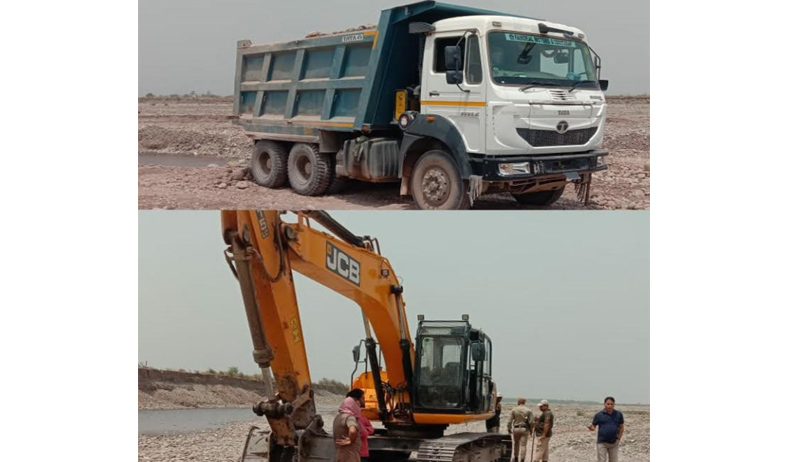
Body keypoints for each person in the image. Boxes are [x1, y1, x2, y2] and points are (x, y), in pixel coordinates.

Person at [588, 396, 625, 462]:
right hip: (602, 443)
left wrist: (618, 438)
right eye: (608, 404)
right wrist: (591, 428)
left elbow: (621, 427)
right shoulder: (598, 415)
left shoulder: (618, 414)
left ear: (614, 404)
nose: (610, 406)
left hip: (614, 443)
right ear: (604, 404)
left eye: (611, 404)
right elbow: (593, 427)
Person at [346, 388, 374, 462]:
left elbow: (371, 428)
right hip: (358, 454)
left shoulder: (360, 416)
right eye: (363, 398)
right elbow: (363, 433)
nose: (364, 400)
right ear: (356, 401)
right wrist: (366, 429)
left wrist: (366, 429)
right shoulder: (353, 416)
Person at [333, 395, 362, 462]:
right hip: (350, 456)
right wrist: (350, 440)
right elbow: (352, 431)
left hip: (340, 454)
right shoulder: (350, 417)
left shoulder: (338, 417)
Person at [507, 397, 534, 462]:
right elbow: (531, 422)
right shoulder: (528, 410)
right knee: (523, 445)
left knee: (516, 443)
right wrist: (531, 430)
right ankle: (522, 459)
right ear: (524, 402)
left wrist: (509, 428)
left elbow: (509, 421)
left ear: (518, 402)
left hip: (516, 428)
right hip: (524, 428)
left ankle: (516, 457)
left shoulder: (514, 410)